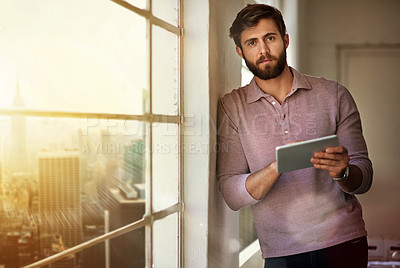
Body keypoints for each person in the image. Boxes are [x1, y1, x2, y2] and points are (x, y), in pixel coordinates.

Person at [217, 4, 373, 268]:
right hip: (281, 253)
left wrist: (342, 173)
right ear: (240, 51)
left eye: (270, 38)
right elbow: (231, 193)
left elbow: (365, 177)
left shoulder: (334, 94)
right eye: (252, 43)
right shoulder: (232, 107)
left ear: (285, 39)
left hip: (344, 242)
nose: (263, 50)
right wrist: (277, 167)